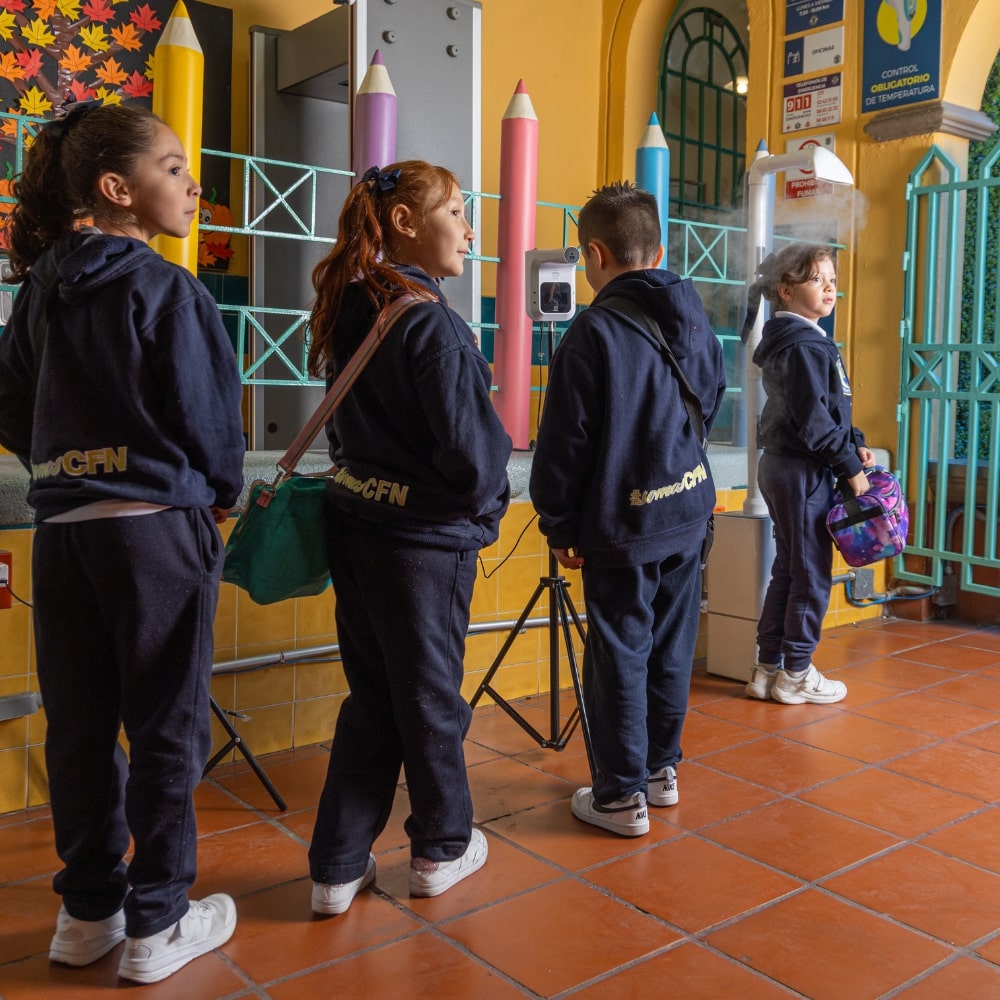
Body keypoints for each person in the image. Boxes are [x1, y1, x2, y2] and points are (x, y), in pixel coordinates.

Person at [0, 101, 245, 983]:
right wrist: (219, 493)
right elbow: (211, 419)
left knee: (79, 728)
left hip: (62, 535)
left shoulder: (40, 289)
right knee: (166, 728)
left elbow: (9, 404)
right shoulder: (165, 287)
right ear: (118, 189)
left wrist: (68, 459)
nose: (191, 183)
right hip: (153, 534)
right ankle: (158, 921)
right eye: (174, 168)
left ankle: (87, 910)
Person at [306, 161, 511, 910]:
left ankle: (336, 864)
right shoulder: (431, 322)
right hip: (421, 544)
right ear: (404, 224)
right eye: (456, 211)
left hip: (356, 524)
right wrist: (489, 500)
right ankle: (441, 848)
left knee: (374, 697)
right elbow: (473, 460)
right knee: (428, 698)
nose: (468, 228)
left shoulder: (353, 306)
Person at [529, 182, 725, 837]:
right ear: (660, 248)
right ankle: (661, 772)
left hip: (623, 522)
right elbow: (713, 393)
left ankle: (618, 797)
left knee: (618, 652)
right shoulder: (692, 309)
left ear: (594, 253)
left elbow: (565, 443)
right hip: (689, 509)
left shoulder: (592, 332)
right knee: (672, 647)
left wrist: (557, 523)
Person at [745, 243, 873, 705]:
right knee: (812, 574)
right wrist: (847, 467)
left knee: (791, 568)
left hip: (787, 465)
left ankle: (767, 668)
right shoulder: (801, 345)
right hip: (802, 471)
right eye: (817, 279)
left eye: (832, 279)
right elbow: (813, 420)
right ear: (785, 290)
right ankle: (797, 672)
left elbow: (827, 405)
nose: (830, 287)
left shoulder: (802, 340)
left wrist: (854, 440)